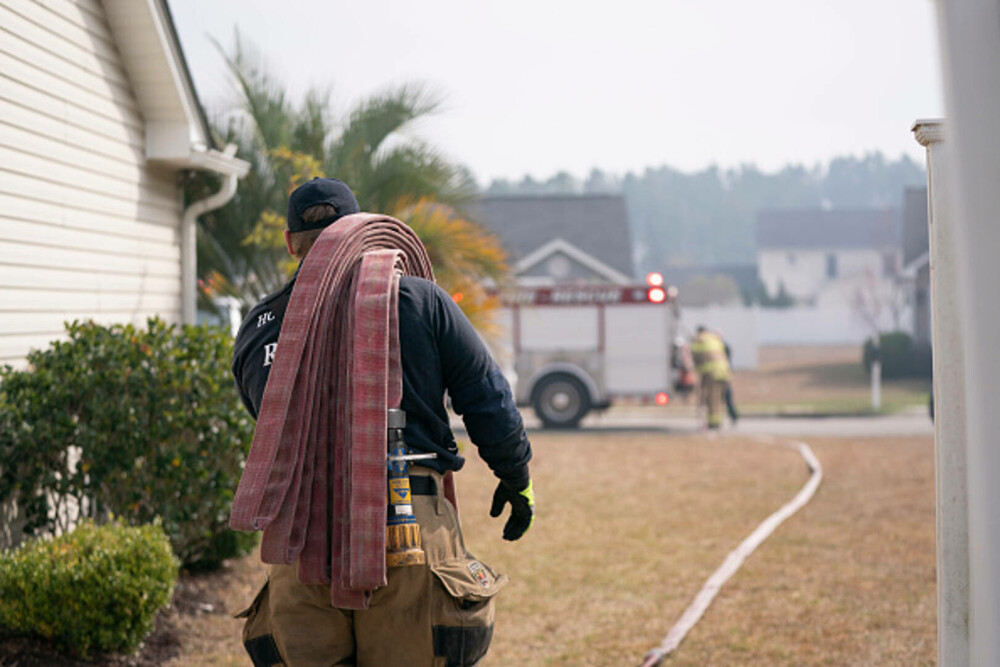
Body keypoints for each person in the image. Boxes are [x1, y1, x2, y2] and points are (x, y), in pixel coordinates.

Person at [231, 178, 534, 666]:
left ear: (291, 244)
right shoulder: (421, 299)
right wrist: (516, 476)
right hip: (407, 523)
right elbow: (487, 398)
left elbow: (265, 416)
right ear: (362, 231)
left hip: (297, 540)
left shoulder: (259, 323)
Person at [689, 325, 732, 429]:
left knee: (712, 397)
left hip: (712, 372)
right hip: (723, 371)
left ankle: (714, 423)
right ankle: (715, 421)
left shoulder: (698, 340)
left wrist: (697, 371)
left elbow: (696, 358)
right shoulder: (713, 338)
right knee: (717, 398)